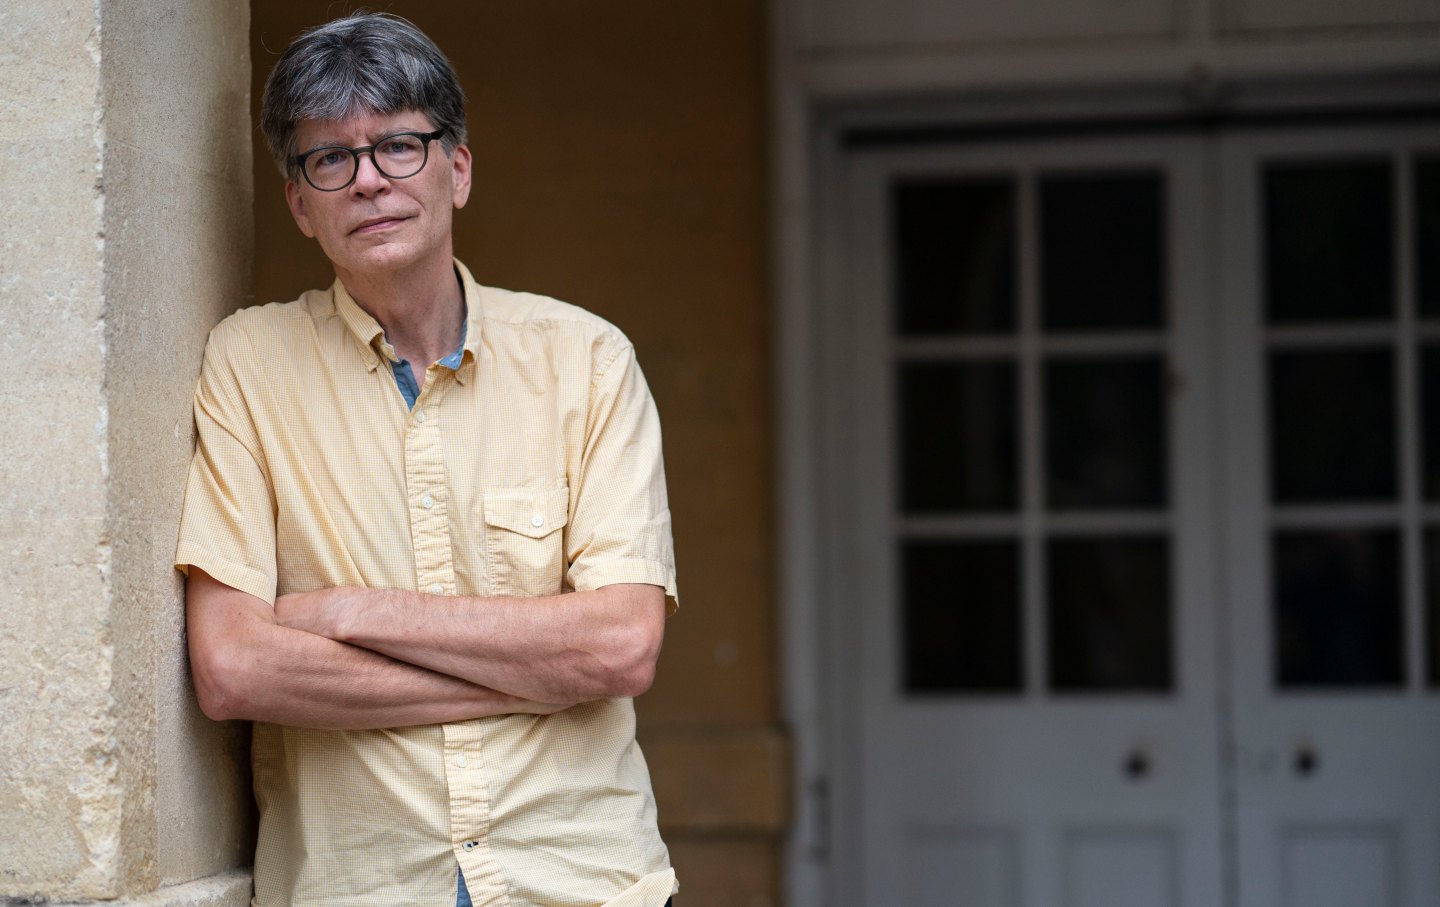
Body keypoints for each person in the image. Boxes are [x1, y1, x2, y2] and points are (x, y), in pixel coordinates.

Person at [175, 12, 678, 907]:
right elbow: (235, 667)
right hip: (356, 886)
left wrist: (345, 611)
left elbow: (621, 645)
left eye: (400, 145)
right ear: (299, 203)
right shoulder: (248, 363)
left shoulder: (587, 360)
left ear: (459, 168)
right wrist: (526, 674)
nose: (369, 179)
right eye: (330, 158)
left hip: (584, 880)